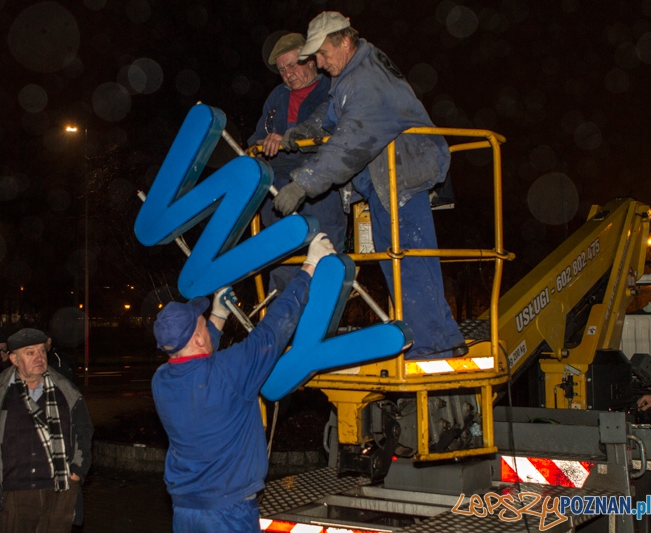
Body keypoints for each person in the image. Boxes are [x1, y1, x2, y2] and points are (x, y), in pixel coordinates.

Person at [273, 11, 466, 360]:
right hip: (385, 178)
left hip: (401, 175)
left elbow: (351, 141)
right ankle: (441, 338)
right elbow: (332, 116)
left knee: (408, 261)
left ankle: (431, 347)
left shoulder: (366, 81)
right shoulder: (351, 75)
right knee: (402, 258)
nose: (320, 62)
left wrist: (303, 183)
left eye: (322, 53)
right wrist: (306, 131)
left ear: (345, 41)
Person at [152, 233, 334, 532]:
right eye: (203, 323)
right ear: (198, 338)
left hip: (185, 511)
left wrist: (218, 315)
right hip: (227, 512)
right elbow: (274, 330)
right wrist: (309, 266)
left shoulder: (161, 381)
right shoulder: (229, 372)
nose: (206, 324)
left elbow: (197, 357)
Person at [0, 328, 93, 533]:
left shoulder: (65, 390)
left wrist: (77, 470)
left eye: (42, 351)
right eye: (30, 353)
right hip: (14, 493)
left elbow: (83, 431)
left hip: (60, 489)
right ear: (14, 359)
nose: (39, 357)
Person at [248, 32, 346, 293]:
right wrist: (263, 144)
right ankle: (281, 313)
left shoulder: (332, 90)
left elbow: (341, 137)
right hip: (278, 188)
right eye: (282, 70)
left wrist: (289, 139)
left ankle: (322, 311)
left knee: (325, 256)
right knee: (283, 262)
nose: (288, 74)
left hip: (320, 186)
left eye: (292, 65)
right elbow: (255, 140)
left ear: (311, 61)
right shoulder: (276, 97)